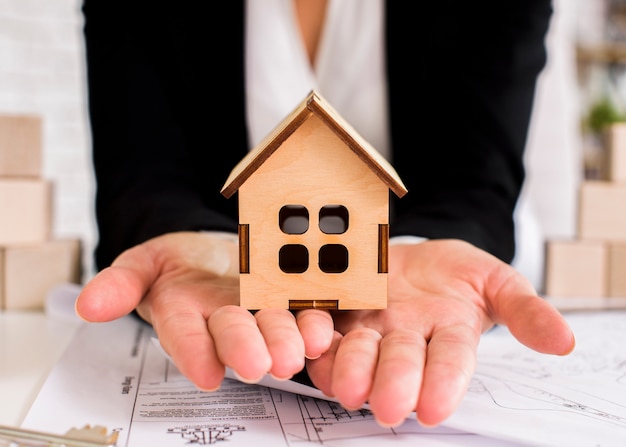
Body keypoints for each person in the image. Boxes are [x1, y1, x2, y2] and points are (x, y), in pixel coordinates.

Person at [76, 0, 575, 428]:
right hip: (222, 265)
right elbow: (140, 169)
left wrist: (422, 244)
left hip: (436, 250)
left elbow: (477, 171)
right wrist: (189, 237)